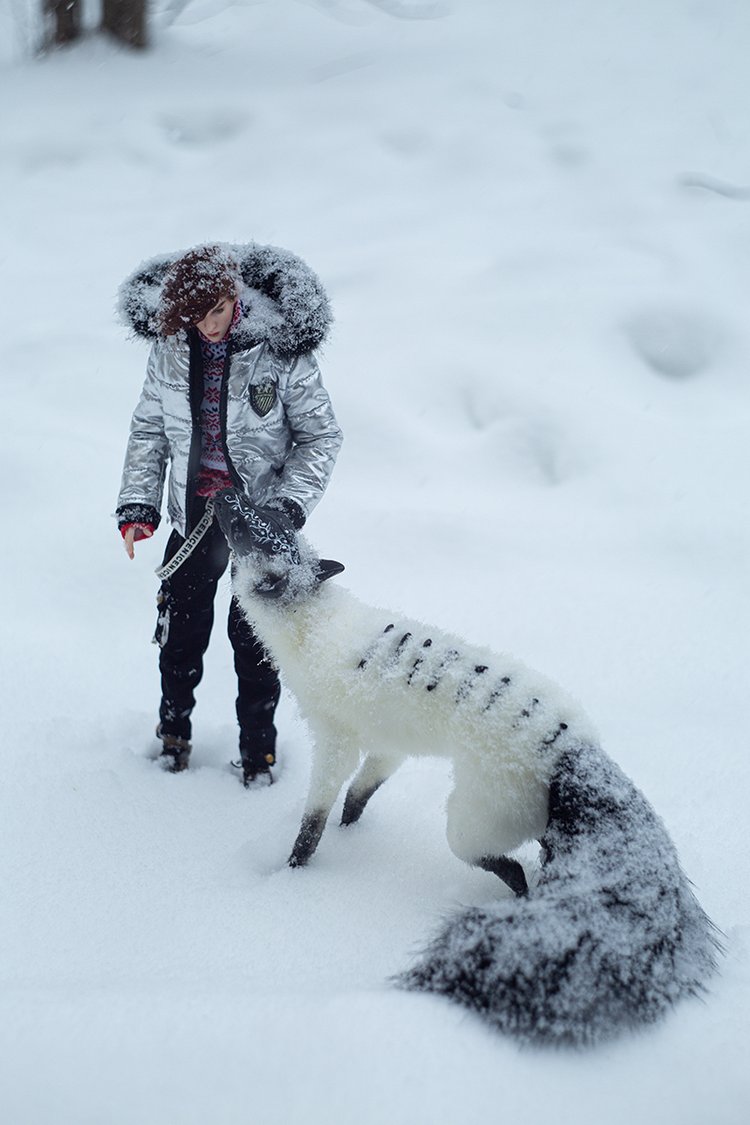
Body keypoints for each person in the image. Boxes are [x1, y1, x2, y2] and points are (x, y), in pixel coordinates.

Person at [115, 242, 342, 784]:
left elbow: (320, 435)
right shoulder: (170, 348)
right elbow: (149, 430)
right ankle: (174, 734)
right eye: (195, 315)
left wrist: (286, 508)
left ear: (234, 294)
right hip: (191, 516)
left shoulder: (279, 350)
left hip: (259, 522)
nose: (209, 326)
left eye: (217, 310)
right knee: (179, 634)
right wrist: (139, 503)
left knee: (258, 643)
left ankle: (259, 751)